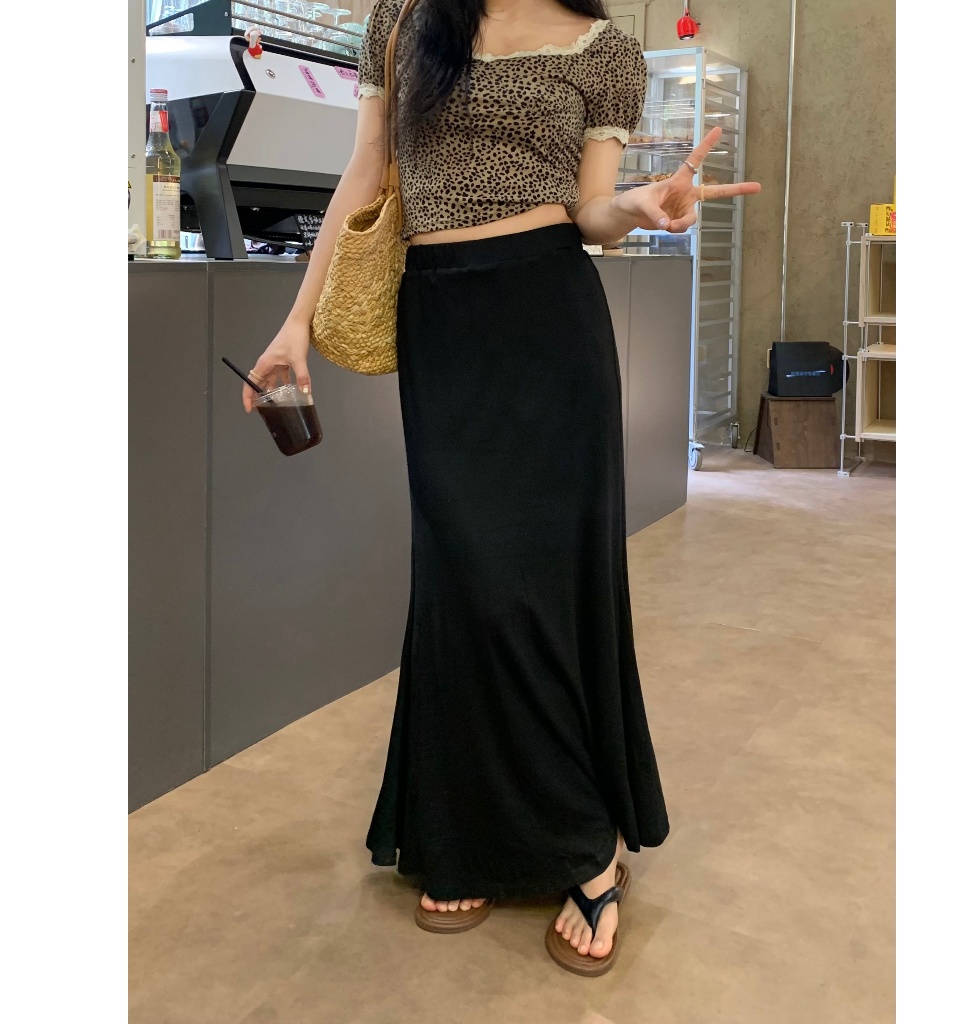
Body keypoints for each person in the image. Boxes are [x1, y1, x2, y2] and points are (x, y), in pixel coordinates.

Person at [243, 0, 760, 976]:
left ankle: (584, 839)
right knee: (465, 581)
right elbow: (366, 172)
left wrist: (639, 206)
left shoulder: (604, 50)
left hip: (549, 315)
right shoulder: (404, 19)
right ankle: (466, 826)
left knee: (550, 584)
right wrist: (294, 323)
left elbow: (590, 211)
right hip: (442, 323)